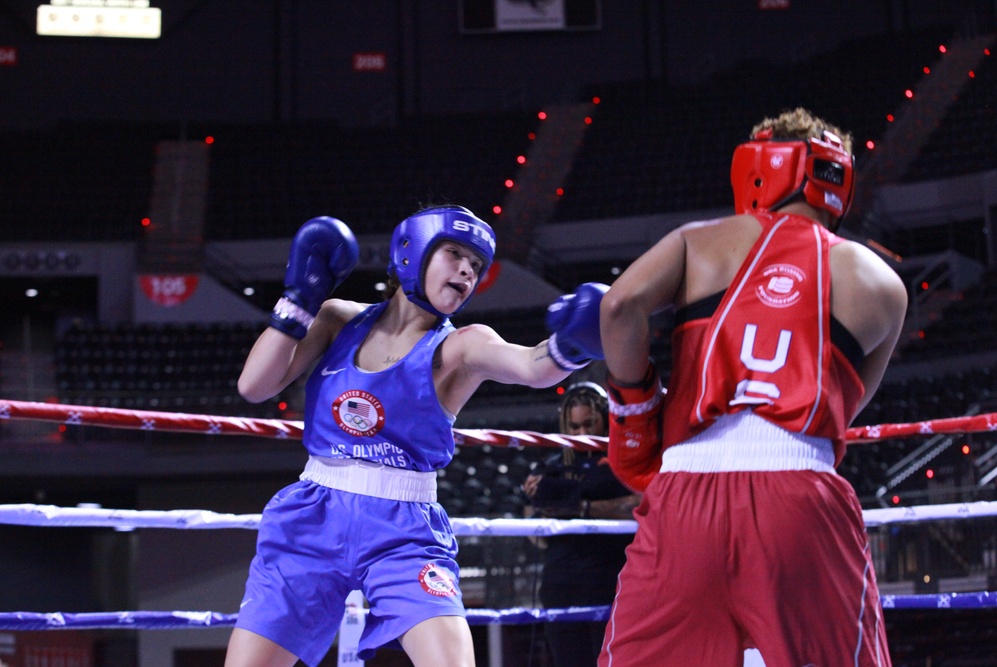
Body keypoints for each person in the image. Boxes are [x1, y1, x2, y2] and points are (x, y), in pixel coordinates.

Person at [225, 205, 608, 667]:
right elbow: (255, 385)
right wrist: (299, 299)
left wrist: (571, 345)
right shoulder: (336, 318)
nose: (467, 270)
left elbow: (532, 366)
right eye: (455, 254)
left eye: (477, 266)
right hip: (313, 515)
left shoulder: (461, 346)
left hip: (403, 529)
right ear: (412, 252)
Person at [598, 108, 908, 666]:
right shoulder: (883, 283)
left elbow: (619, 306)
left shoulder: (701, 242)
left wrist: (637, 410)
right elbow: (847, 403)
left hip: (686, 491)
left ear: (761, 165)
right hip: (801, 492)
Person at [521, 381, 641, 667]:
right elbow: (535, 538)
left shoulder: (625, 462)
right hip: (562, 583)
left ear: (605, 420)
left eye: (589, 425)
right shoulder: (549, 468)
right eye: (575, 428)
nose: (583, 434)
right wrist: (542, 509)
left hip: (613, 581)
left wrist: (583, 507)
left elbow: (644, 504)